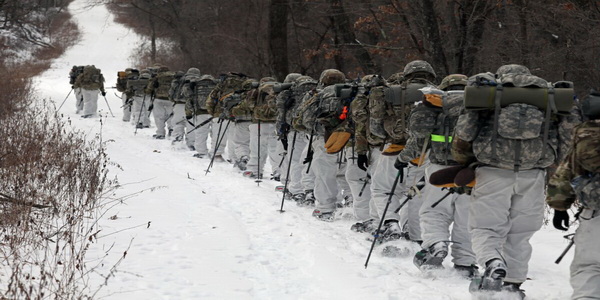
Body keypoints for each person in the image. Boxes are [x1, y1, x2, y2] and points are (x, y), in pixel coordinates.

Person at [452, 64, 580, 297]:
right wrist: (558, 171)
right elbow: (568, 137)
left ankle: (492, 262)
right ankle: (512, 285)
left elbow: (465, 133)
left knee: (485, 226)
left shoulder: (490, 93)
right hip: (533, 173)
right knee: (520, 233)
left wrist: (463, 163)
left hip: (492, 171)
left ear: (503, 75)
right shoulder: (549, 96)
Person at [396, 74, 477, 277]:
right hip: (472, 172)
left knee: (434, 211)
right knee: (466, 217)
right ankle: (465, 263)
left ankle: (436, 244)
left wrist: (403, 158)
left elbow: (418, 140)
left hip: (439, 169)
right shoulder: (480, 107)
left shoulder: (436, 106)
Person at [369, 60, 436, 244]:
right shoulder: (440, 94)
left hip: (395, 148)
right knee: (416, 192)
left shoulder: (393, 92)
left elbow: (375, 127)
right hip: (426, 152)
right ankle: (416, 236)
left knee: (382, 189)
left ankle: (390, 223)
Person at [547, 91, 598, 300]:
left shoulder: (586, 134)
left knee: (590, 267)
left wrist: (560, 208)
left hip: (596, 213)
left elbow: (566, 172)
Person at [293, 69, 347, 221]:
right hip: (349, 139)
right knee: (347, 173)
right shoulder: (352, 93)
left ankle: (325, 208)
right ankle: (350, 203)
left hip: (325, 139)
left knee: (324, 174)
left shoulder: (317, 94)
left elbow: (305, 120)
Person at [182, 69, 217, 158]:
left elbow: (189, 99)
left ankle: (202, 152)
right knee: (215, 133)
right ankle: (216, 153)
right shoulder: (216, 85)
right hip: (215, 113)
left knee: (201, 133)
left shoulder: (196, 85)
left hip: (200, 112)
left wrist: (189, 112)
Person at [145, 65, 174, 139]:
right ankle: (171, 129)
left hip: (158, 99)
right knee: (171, 115)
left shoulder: (156, 77)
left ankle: (160, 133)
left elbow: (149, 89)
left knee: (159, 117)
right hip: (170, 99)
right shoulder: (173, 77)